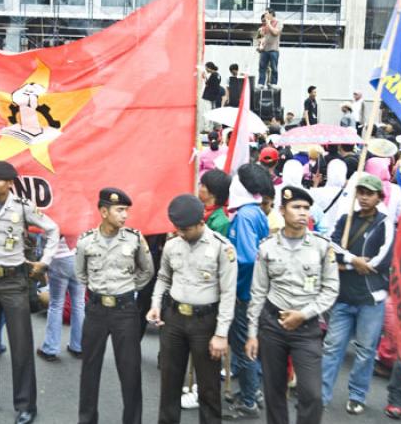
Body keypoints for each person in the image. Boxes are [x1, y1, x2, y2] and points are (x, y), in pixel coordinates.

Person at [0, 160, 60, 424]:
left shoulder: (22, 207)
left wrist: (46, 260)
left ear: (10, 183)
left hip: (14, 282)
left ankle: (25, 405)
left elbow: (53, 229)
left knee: (20, 346)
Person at [245, 186, 339, 424]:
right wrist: (252, 334)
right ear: (282, 211)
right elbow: (258, 292)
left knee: (312, 394)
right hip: (272, 324)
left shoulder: (321, 246)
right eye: (296, 207)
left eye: (306, 208)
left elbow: (331, 289)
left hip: (306, 328)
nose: (302, 213)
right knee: (274, 390)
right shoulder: (267, 247)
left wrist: (304, 314)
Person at [147, 194, 237, 424]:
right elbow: (163, 278)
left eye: (186, 229)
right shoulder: (172, 245)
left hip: (205, 323)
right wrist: (156, 304)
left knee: (208, 388)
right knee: (169, 384)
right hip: (173, 320)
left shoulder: (222, 248)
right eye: (177, 228)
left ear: (201, 223)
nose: (181, 233)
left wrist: (221, 334)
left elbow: (228, 294)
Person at [74, 188, 154, 424]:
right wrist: (100, 289)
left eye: (126, 211)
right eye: (119, 210)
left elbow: (147, 271)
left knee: (130, 370)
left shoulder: (134, 239)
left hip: (125, 311)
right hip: (96, 309)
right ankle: (87, 419)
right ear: (104, 211)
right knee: (90, 369)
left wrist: (127, 287)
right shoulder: (86, 240)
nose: (124, 216)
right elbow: (81, 274)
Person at [322, 175, 393, 414]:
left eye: (369, 193)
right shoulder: (345, 219)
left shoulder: (385, 223)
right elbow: (330, 248)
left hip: (371, 298)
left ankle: (357, 395)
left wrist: (349, 262)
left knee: (365, 351)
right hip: (343, 295)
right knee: (332, 348)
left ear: (379, 197)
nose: (363, 197)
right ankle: (321, 394)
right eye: (360, 192)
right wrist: (353, 260)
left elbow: (382, 261)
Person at [226, 164, 273, 418]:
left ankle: (248, 401)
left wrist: (235, 291)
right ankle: (252, 391)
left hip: (245, 293)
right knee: (250, 345)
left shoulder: (244, 215)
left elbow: (244, 259)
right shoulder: (255, 211)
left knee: (244, 347)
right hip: (257, 291)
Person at [37, 235, 84, 361]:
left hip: (59, 258)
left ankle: (50, 348)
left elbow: (45, 240)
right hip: (79, 257)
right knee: (79, 304)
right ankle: (78, 346)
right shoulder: (83, 215)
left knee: (56, 304)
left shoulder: (54, 216)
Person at [199, 169, 232, 236]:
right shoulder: (199, 210)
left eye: (203, 186)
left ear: (213, 192)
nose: (199, 189)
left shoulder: (221, 222)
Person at [256, 8, 282, 87]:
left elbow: (275, 33)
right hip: (264, 50)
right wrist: (259, 45)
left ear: (271, 14)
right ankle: (261, 83)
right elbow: (260, 38)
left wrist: (269, 23)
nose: (265, 15)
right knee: (262, 67)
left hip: (274, 49)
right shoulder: (262, 27)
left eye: (266, 13)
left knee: (273, 68)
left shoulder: (278, 23)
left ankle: (273, 83)